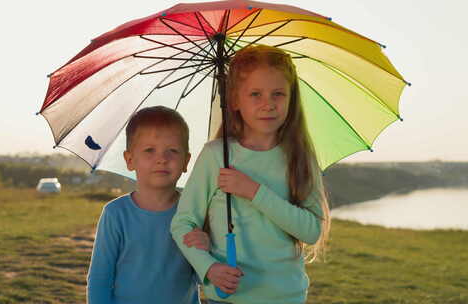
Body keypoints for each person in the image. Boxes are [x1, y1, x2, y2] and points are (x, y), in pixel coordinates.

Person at [170, 45, 331, 304]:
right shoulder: (216, 156)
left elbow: (312, 231)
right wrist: (209, 268)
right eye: (255, 94)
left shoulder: (300, 158)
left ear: (291, 98)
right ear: (234, 100)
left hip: (285, 297)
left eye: (278, 94)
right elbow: (183, 224)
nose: (268, 104)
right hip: (228, 298)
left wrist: (254, 191)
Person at [87, 106, 210, 304]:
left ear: (186, 161)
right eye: (149, 150)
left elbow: (203, 279)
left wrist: (206, 252)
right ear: (129, 160)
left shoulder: (194, 211)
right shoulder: (116, 214)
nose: (162, 159)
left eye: (172, 151)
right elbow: (100, 279)